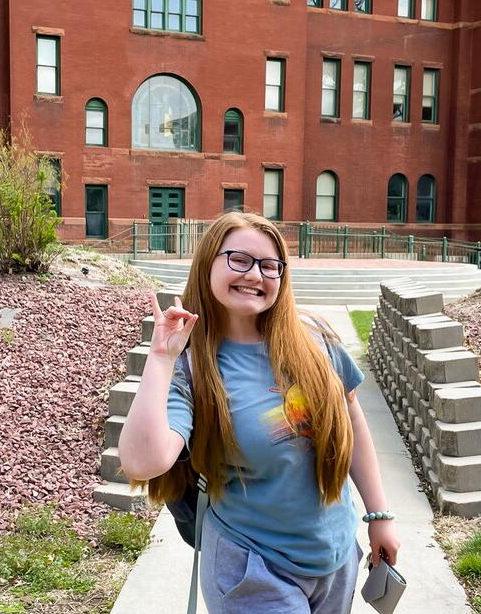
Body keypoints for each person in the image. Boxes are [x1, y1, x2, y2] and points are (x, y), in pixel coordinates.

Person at [118, 212, 399, 613]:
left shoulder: (314, 339)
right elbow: (142, 462)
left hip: (336, 558)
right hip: (254, 567)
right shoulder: (193, 366)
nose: (255, 274)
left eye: (270, 266)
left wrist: (379, 515)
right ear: (207, 263)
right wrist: (161, 358)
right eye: (239, 259)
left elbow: (351, 418)